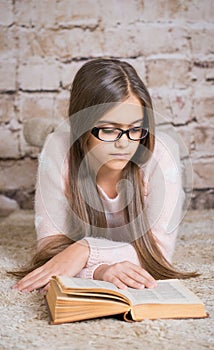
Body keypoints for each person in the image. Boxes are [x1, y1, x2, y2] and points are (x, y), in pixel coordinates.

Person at [12, 58, 197, 293]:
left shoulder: (163, 155)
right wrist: (99, 271)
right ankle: (45, 128)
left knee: (161, 144)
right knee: (55, 136)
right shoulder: (58, 147)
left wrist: (85, 250)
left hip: (153, 158)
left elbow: (157, 254)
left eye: (135, 129)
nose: (124, 144)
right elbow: (51, 250)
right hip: (70, 145)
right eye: (109, 129)